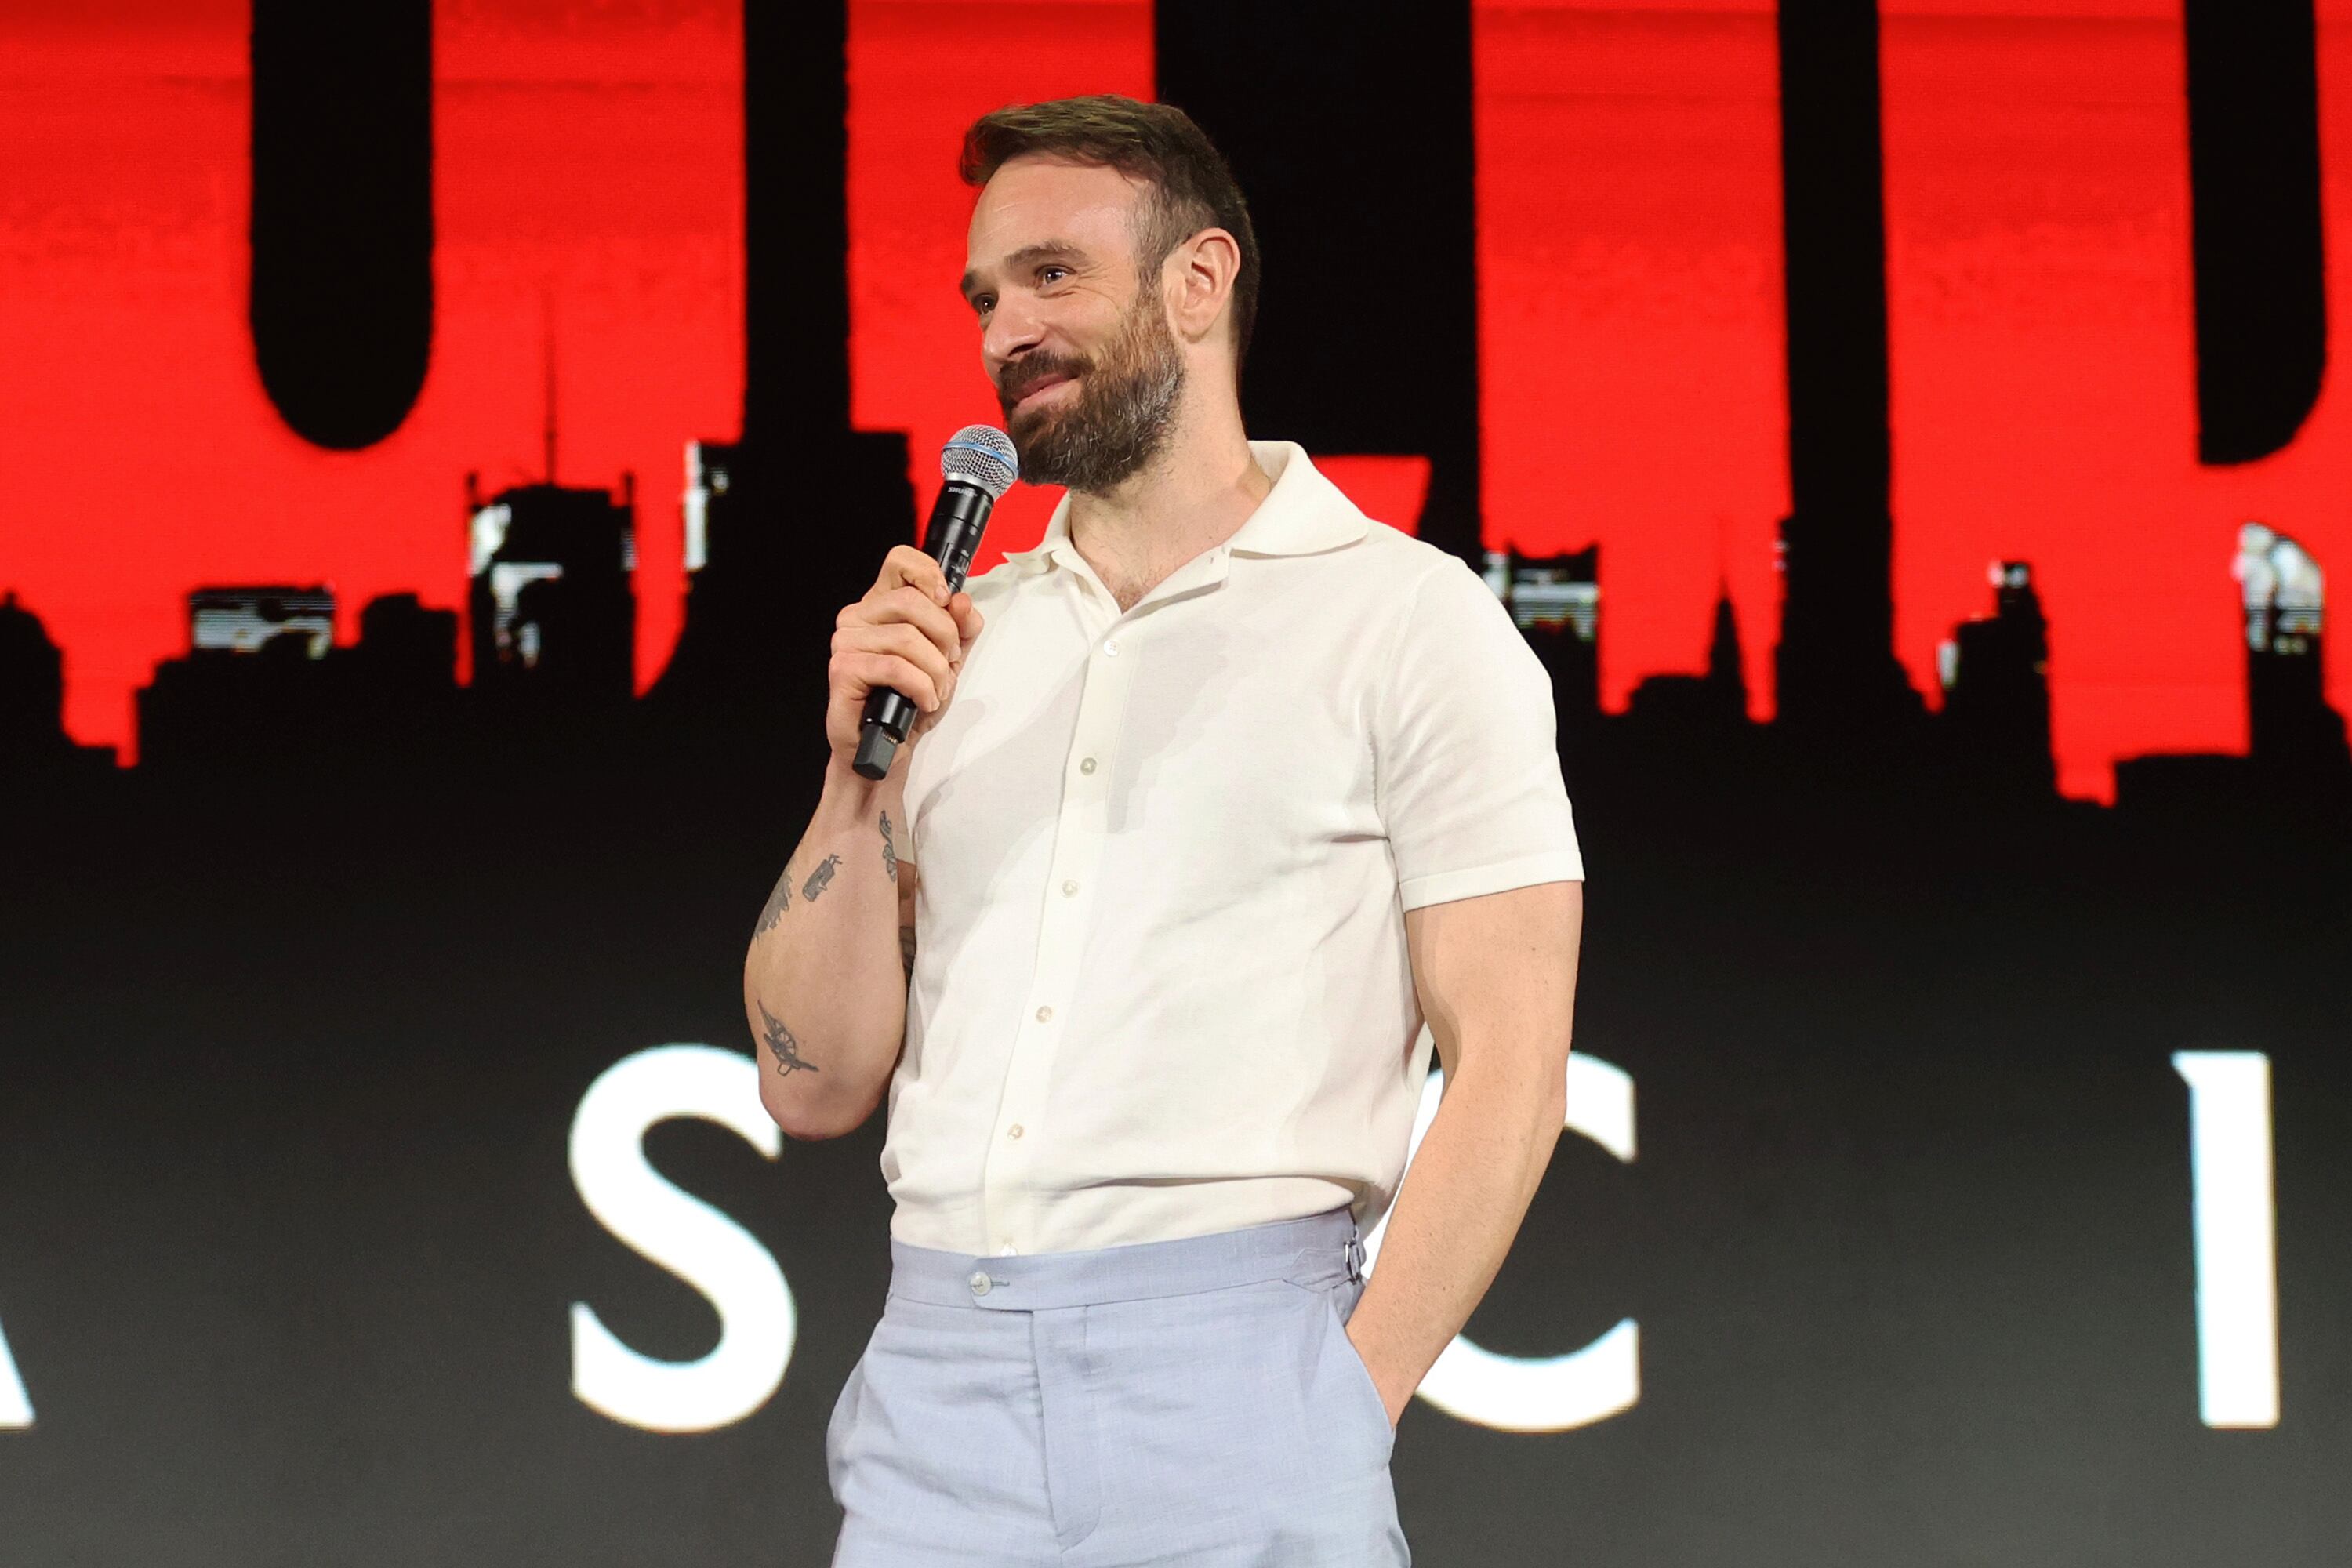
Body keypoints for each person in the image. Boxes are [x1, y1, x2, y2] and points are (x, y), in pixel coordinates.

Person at [743, 93, 1584, 1567]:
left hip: (1244, 1380)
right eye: (986, 297)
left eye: (1052, 275)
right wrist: (854, 780)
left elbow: (1512, 1067)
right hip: (936, 1392)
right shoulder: (960, 640)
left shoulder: (1408, 620)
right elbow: (810, 1087)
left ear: (1200, 281)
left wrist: (1347, 1403)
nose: (1008, 330)